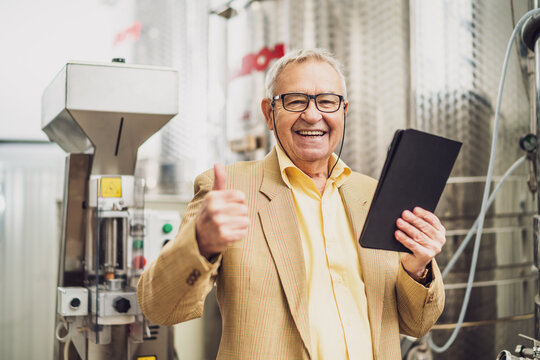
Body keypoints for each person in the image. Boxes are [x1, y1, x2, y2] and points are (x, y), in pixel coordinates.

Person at [137, 48, 445, 360]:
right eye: (295, 100)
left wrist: (417, 269)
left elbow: (416, 324)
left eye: (327, 101)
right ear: (269, 113)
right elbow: (160, 307)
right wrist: (199, 243)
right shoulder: (230, 190)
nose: (313, 115)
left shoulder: (373, 195)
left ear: (344, 111)